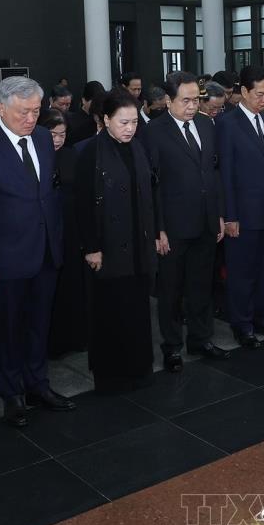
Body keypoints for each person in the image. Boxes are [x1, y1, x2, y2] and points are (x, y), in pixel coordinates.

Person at [0, 76, 74, 427]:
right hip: (5, 257)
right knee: (9, 329)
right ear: (0, 109)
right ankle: (11, 393)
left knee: (40, 325)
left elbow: (47, 194)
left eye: (36, 111)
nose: (31, 118)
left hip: (45, 251)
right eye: (23, 112)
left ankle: (38, 384)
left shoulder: (42, 138)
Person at [74, 90, 158, 392]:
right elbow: (83, 205)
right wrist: (92, 247)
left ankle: (139, 368)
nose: (130, 128)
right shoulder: (90, 152)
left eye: (134, 122)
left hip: (137, 244)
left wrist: (156, 232)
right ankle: (111, 375)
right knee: (110, 311)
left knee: (137, 309)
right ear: (106, 120)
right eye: (123, 122)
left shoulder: (138, 147)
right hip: (107, 246)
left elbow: (150, 194)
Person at [144, 72, 228, 371]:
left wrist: (219, 214)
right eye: (186, 100)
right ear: (169, 100)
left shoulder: (206, 125)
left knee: (201, 285)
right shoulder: (153, 131)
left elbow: (213, 173)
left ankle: (200, 338)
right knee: (170, 290)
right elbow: (151, 184)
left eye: (196, 100)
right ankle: (171, 347)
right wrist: (158, 228)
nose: (192, 106)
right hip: (173, 226)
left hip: (205, 221)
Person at [216, 66, 264, 348]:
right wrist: (230, 216)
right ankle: (242, 324)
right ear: (244, 92)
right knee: (242, 273)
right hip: (244, 215)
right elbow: (226, 174)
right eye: (260, 94)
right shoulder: (228, 124)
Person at [40, 112, 88, 358]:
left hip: (71, 228)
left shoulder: (72, 155)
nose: (58, 140)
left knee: (73, 283)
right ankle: (53, 342)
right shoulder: (36, 155)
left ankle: (76, 337)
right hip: (46, 230)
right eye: (53, 135)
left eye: (62, 134)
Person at [68, 80, 104, 145]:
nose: (97, 105)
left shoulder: (104, 119)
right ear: (84, 100)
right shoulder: (71, 121)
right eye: (94, 102)